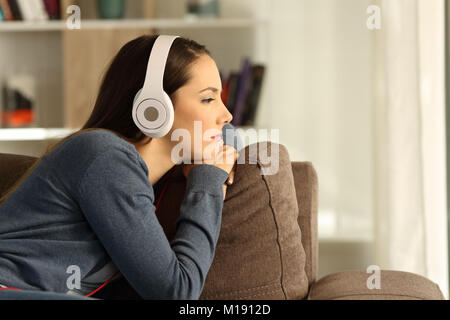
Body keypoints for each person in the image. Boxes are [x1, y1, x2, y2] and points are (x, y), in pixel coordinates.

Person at [0, 34, 243, 300]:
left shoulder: (136, 170)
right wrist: (207, 180)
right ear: (155, 107)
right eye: (208, 99)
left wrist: (211, 159)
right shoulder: (105, 157)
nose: (226, 114)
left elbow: (230, 134)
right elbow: (177, 293)